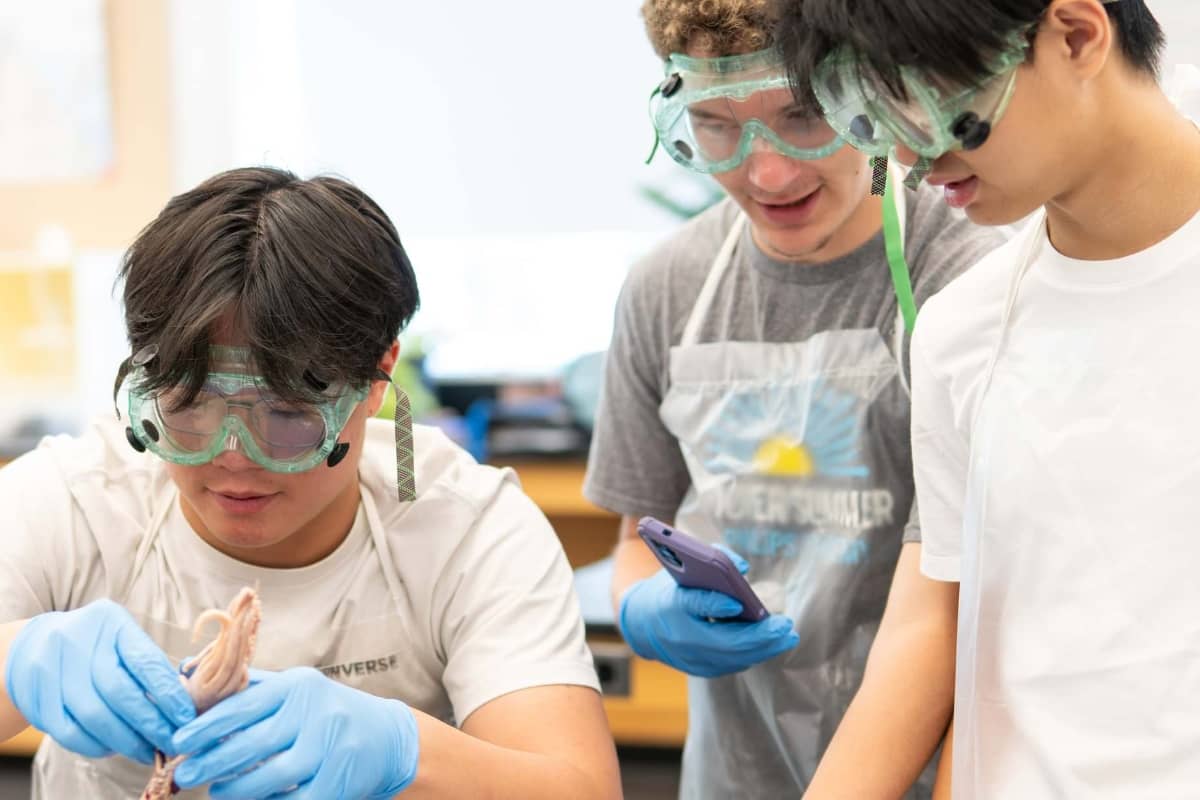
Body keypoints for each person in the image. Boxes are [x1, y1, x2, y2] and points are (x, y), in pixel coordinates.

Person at [0, 166, 622, 799]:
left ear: (379, 377)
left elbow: (580, 789)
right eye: (189, 408)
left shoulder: (469, 528)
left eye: (287, 416)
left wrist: (406, 752)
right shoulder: (74, 499)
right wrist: (18, 661)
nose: (234, 457)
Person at [775, 0, 1200, 796]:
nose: (914, 156)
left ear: (1075, 35)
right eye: (880, 117)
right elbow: (942, 626)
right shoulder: (962, 332)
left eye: (938, 109)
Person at [581, 2, 1003, 797]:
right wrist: (643, 605)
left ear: (867, 93)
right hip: (730, 774)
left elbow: (954, 606)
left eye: (801, 117)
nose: (765, 172)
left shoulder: (966, 278)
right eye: (714, 125)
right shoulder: (666, 288)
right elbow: (637, 534)